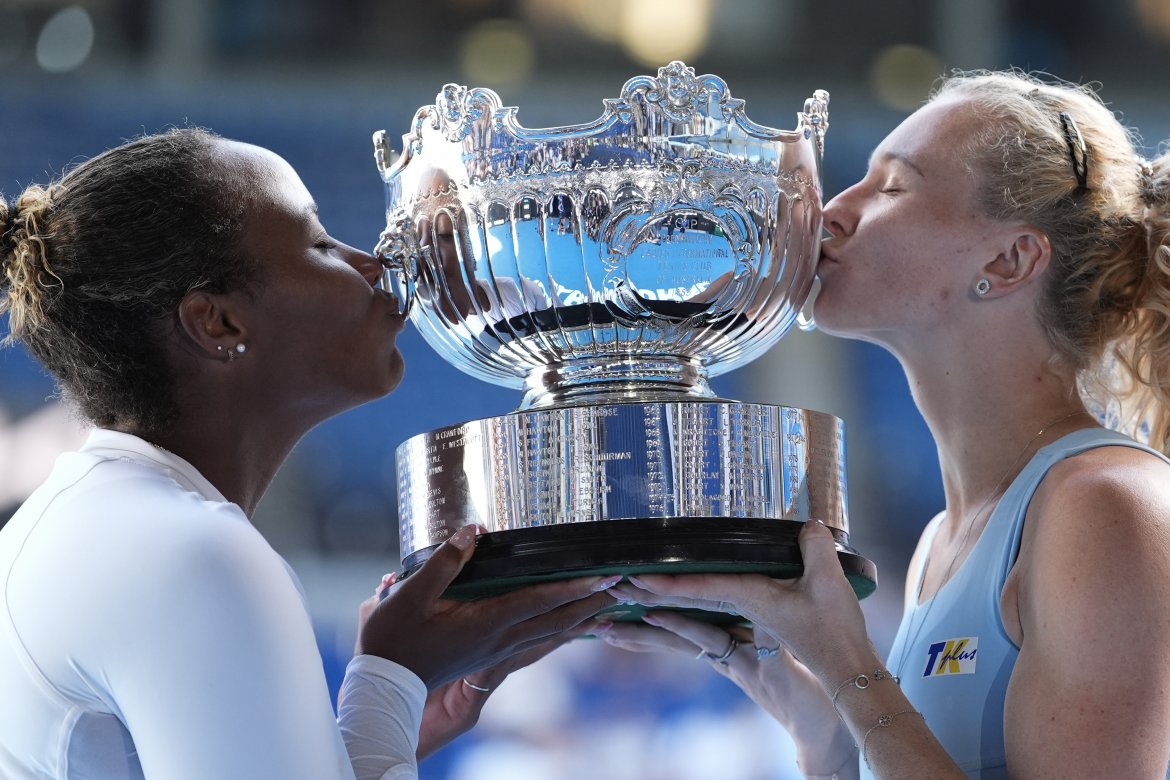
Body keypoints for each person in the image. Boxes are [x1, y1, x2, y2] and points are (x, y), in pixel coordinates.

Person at [595, 69, 1170, 778]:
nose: (833, 212)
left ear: (1009, 258)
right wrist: (782, 676)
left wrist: (848, 664)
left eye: (893, 187)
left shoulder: (1104, 505)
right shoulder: (944, 535)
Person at [0, 128, 622, 779]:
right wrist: (393, 675)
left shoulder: (97, 524)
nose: (373, 266)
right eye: (320, 243)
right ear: (219, 323)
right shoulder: (192, 551)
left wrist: (386, 715)